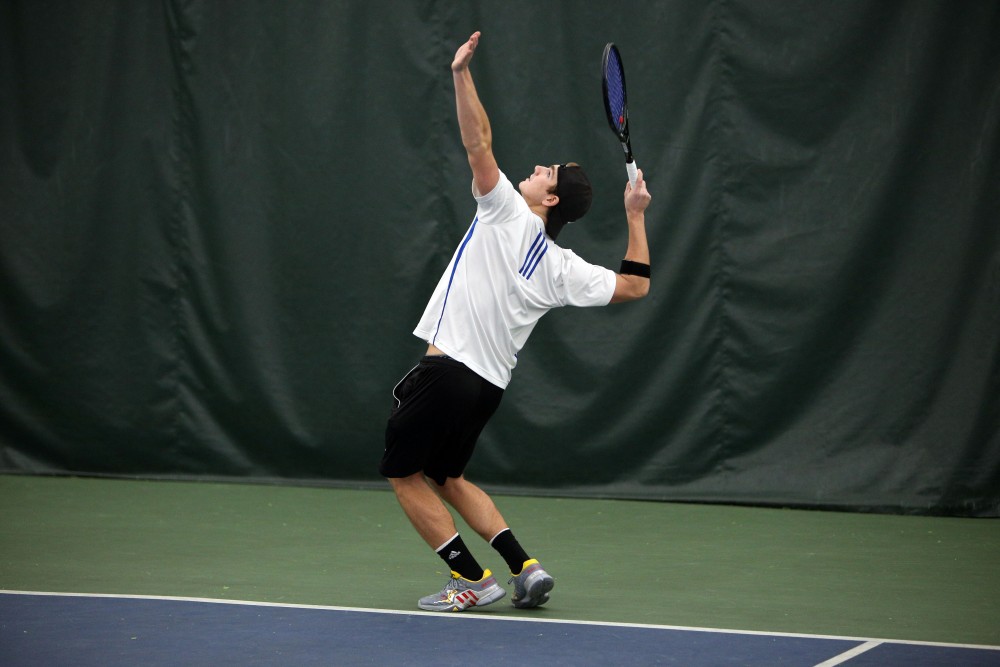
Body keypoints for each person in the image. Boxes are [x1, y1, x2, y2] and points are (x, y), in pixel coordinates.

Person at [379, 31, 652, 613]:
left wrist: (460, 74)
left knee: (403, 474)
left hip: (449, 371)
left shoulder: (505, 209)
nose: (533, 168)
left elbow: (478, 142)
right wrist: (635, 216)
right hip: (487, 389)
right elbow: (636, 284)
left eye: (545, 171)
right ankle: (525, 568)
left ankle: (473, 581)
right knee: (446, 476)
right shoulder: (562, 267)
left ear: (548, 200)